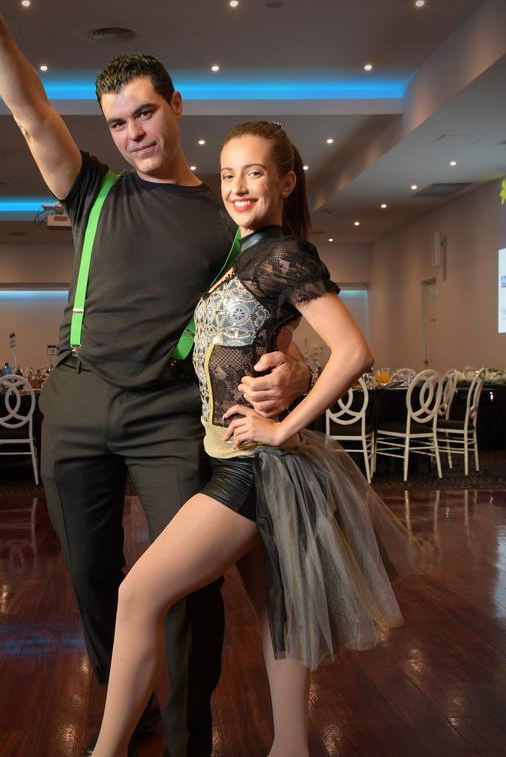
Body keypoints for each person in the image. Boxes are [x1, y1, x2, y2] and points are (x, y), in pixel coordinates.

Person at [0, 0, 311, 757]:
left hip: (173, 409)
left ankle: (188, 733)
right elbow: (30, 109)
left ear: (177, 105)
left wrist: (285, 368)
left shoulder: (227, 215)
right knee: (91, 578)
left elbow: (265, 318)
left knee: (186, 585)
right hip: (73, 400)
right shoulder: (96, 190)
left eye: (145, 113)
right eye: (117, 121)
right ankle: (127, 694)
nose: (133, 132)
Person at [91, 122, 423, 757]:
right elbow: (265, 338)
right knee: (280, 617)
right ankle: (292, 747)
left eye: (254, 172)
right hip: (233, 454)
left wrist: (282, 423)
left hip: (252, 463)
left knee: (137, 594)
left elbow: (354, 351)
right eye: (227, 173)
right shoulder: (240, 254)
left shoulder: (285, 254)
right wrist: (286, 368)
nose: (237, 186)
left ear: (286, 181)